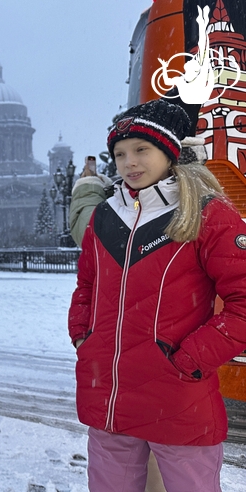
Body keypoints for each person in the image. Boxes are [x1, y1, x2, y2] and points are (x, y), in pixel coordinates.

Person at [68, 98, 246, 491]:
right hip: (109, 398)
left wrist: (191, 358)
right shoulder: (106, 216)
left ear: (169, 150)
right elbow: (86, 287)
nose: (129, 162)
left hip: (179, 398)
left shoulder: (205, 212)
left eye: (140, 150)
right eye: (119, 153)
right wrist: (85, 337)